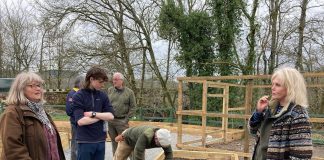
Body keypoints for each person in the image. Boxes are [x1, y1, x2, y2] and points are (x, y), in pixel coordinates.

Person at [249, 67, 313, 160]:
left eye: (278, 85)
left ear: (291, 88)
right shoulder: (270, 109)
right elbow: (253, 132)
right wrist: (258, 112)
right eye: (273, 84)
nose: (272, 88)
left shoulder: (298, 115)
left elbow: (301, 156)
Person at [0, 72, 66, 160]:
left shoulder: (41, 112)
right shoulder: (12, 113)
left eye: (39, 85)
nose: (38, 89)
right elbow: (13, 149)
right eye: (32, 86)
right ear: (20, 89)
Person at [72, 66, 114, 160]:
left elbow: (111, 116)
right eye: (100, 82)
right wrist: (102, 116)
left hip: (101, 140)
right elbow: (81, 121)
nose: (102, 85)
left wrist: (93, 114)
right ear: (91, 79)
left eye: (103, 82)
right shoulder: (78, 96)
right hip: (85, 141)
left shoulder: (103, 95)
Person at [107, 72, 137, 156]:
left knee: (126, 143)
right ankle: (115, 158)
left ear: (121, 81)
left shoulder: (129, 92)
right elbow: (107, 104)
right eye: (113, 79)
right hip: (111, 121)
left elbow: (133, 107)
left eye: (116, 79)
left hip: (122, 121)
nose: (114, 81)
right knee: (114, 142)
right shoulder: (110, 90)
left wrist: (126, 119)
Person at [66, 76, 83, 160]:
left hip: (82, 123)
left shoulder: (82, 93)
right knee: (75, 145)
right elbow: (68, 111)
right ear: (80, 83)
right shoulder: (72, 93)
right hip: (75, 123)